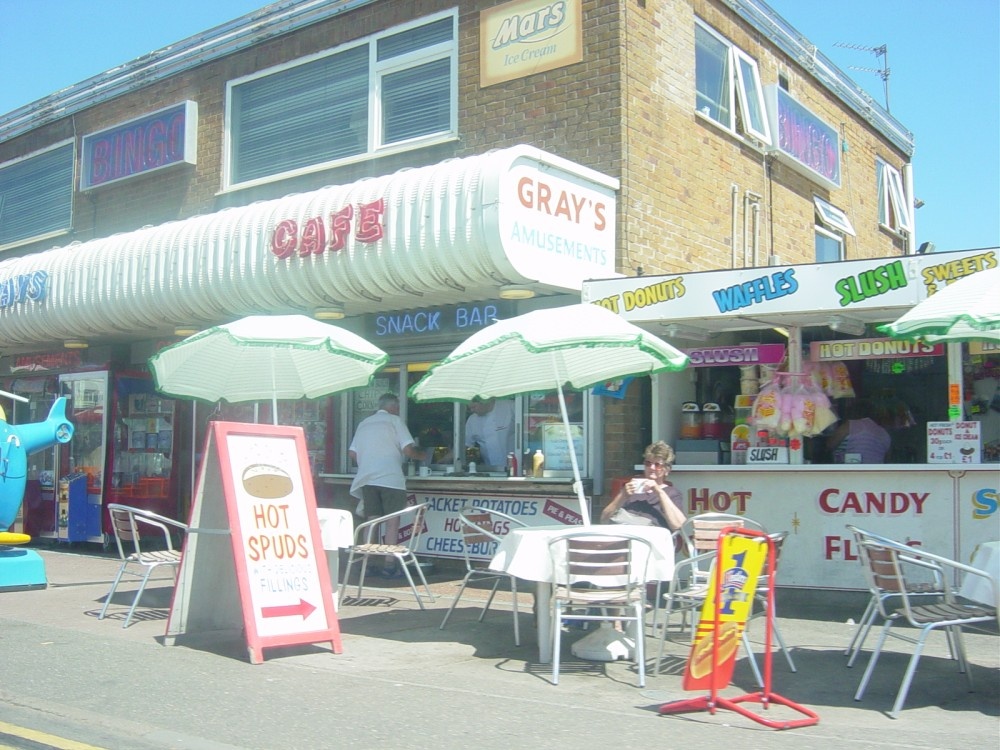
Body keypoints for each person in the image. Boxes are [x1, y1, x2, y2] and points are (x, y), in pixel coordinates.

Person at [348, 393, 426, 576]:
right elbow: (408, 449)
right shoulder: (395, 421)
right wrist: (423, 456)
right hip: (390, 478)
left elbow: (352, 453)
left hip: (367, 478)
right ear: (393, 407)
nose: (398, 410)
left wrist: (369, 461)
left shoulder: (364, 423)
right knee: (392, 522)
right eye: (397, 407)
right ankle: (389, 565)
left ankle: (367, 563)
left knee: (371, 521)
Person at [601, 441, 685, 531]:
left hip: (649, 538)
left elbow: (679, 525)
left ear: (667, 470)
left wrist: (659, 492)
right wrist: (622, 495)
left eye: (657, 465)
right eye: (648, 463)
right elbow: (604, 519)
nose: (651, 468)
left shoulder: (671, 493)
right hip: (624, 534)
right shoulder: (631, 489)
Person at [826, 399, 891, 463]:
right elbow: (888, 460)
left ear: (854, 411)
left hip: (849, 471)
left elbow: (829, 445)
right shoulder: (884, 433)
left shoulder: (849, 425)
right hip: (875, 472)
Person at [464, 396, 515, 467]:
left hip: (515, 467)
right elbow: (465, 445)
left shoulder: (509, 406)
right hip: (490, 469)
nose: (472, 410)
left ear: (485, 401)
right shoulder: (472, 420)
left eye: (474, 407)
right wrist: (445, 460)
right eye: (470, 408)